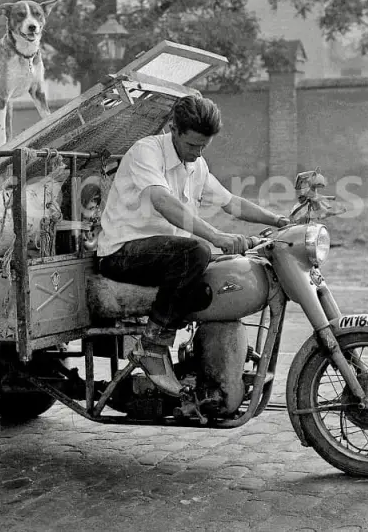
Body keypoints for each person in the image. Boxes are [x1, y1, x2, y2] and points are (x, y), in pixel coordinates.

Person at [96, 95, 290, 392]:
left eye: (203, 147)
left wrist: (276, 220)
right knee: (197, 250)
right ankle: (153, 343)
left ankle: (203, 372)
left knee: (222, 275)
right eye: (192, 145)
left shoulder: (195, 165)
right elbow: (163, 202)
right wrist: (216, 237)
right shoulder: (146, 152)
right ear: (173, 128)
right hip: (122, 253)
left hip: (165, 256)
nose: (198, 154)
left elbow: (230, 202)